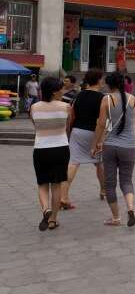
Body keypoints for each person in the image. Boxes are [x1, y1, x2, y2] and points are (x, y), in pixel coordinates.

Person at [93, 72, 135, 227]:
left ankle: (116, 217)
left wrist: (95, 144)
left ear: (109, 84)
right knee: (127, 181)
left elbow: (101, 124)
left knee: (110, 183)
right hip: (130, 145)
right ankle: (131, 208)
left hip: (111, 146)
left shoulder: (107, 99)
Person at [60, 69, 106, 209]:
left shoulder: (78, 95)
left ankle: (63, 196)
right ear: (98, 81)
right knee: (100, 163)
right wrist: (101, 140)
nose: (103, 81)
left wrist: (69, 132)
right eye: (102, 79)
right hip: (94, 133)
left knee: (73, 163)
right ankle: (103, 190)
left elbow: (72, 116)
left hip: (77, 131)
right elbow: (102, 121)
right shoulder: (103, 98)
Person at [30, 77, 70, 231]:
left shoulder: (34, 107)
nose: (63, 90)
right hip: (60, 148)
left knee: (42, 183)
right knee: (57, 184)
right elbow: (67, 127)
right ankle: (53, 219)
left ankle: (46, 209)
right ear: (54, 92)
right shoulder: (66, 106)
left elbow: (36, 127)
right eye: (61, 88)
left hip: (41, 149)